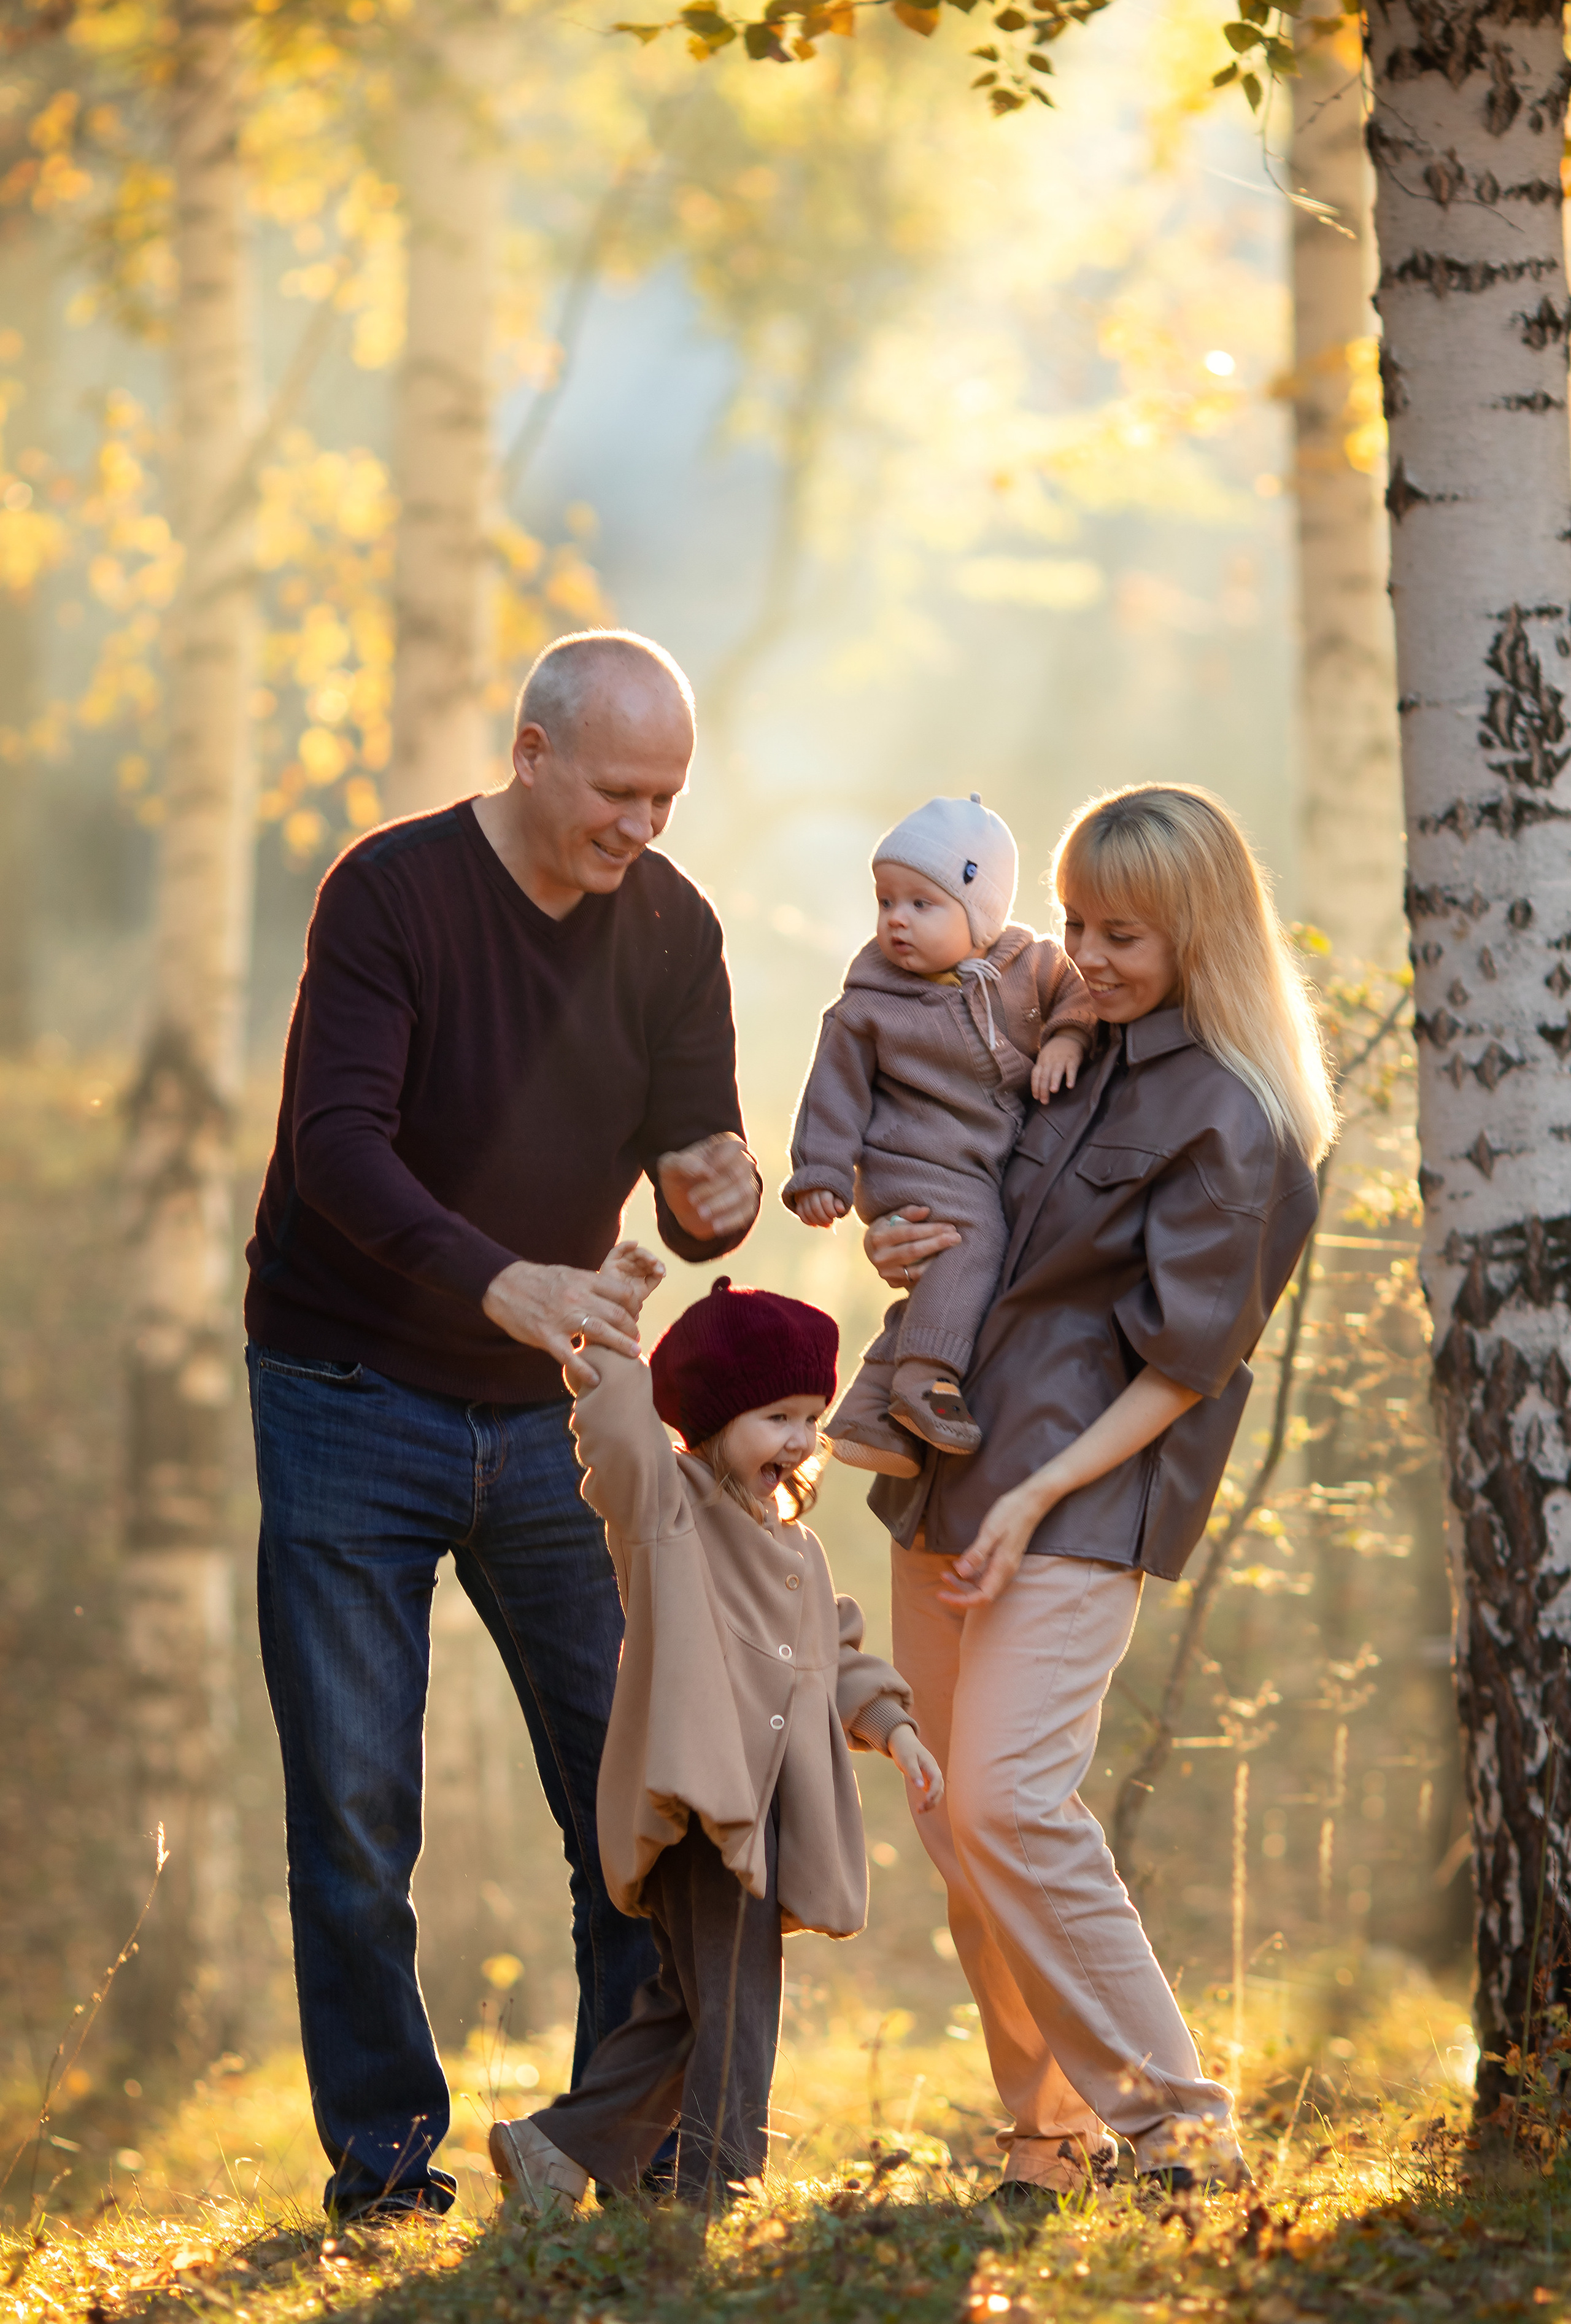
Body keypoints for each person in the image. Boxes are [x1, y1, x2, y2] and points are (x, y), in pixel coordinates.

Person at [244, 629, 763, 2221]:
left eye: (668, 798)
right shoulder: (391, 895)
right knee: (352, 1806)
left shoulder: (672, 930)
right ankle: (386, 2167)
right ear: (531, 755)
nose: (643, 828)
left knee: (631, 1787)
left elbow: (697, 1189)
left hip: (554, 1422)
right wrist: (501, 1285)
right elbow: (337, 1147)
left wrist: (717, 1200)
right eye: (619, 792)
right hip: (346, 1393)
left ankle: (625, 2141)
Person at [859, 783, 1334, 2208]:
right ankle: (1045, 2138)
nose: (1084, 951)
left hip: (1083, 1486)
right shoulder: (1050, 1040)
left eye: (1119, 930)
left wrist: (1035, 1493)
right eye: (1071, 920)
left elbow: (1186, 1368)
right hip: (952, 1463)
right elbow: (957, 1192)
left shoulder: (1235, 1118)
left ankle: (1179, 2129)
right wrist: (905, 1239)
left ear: (1195, 926)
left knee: (1009, 1800)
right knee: (955, 1827)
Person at [488, 1269, 943, 2211]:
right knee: (738, 2008)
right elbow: (617, 1430)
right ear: (711, 1415)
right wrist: (609, 1325)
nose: (802, 1440)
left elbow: (838, 1657)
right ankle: (716, 2185)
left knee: (690, 2006)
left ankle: (553, 2148)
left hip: (770, 1812)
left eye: (812, 1417)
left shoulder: (796, 1551)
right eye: (778, 1415)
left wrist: (894, 1729)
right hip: (705, 1802)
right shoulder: (668, 1515)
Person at [782, 794, 1093, 1470]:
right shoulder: (870, 1003)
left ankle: (868, 1413)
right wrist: (822, 1173)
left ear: (982, 913)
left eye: (921, 905)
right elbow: (832, 1093)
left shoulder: (1027, 964)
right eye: (886, 901)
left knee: (952, 1275)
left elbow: (1076, 994)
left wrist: (1066, 1039)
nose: (896, 920)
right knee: (975, 1244)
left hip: (976, 1161)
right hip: (914, 1160)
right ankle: (927, 1378)